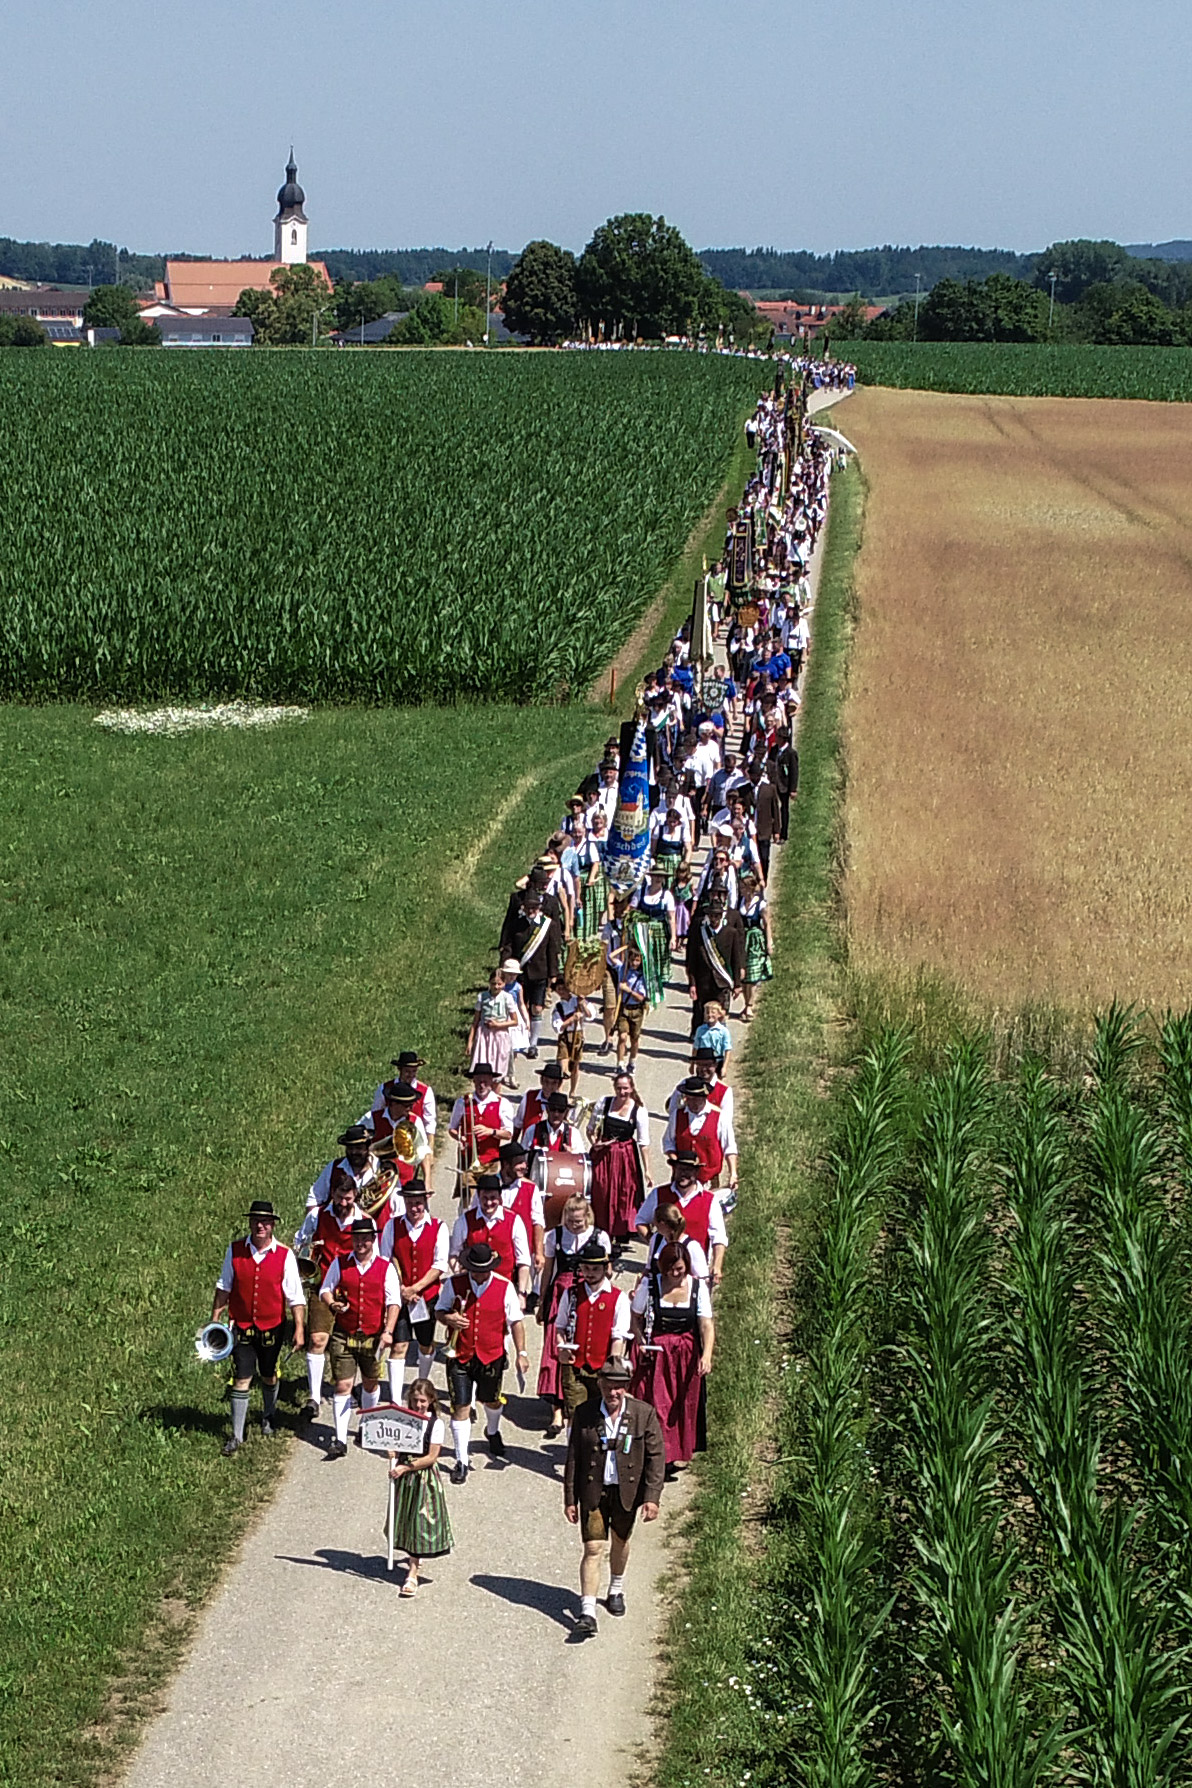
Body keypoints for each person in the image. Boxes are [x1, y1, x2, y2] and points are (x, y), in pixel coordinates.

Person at [563, 1358, 666, 1637]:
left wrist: (652, 1497)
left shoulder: (643, 1414)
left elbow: (656, 1458)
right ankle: (587, 1612)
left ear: (626, 1387)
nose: (613, 1393)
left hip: (626, 1493)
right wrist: (570, 1498)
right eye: (608, 1386)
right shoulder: (584, 1413)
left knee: (620, 1541)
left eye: (618, 1387)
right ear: (600, 1385)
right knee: (593, 1548)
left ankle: (616, 1589)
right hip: (593, 1492)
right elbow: (573, 1457)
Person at [212, 1200, 306, 1456]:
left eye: (265, 1221)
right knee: (242, 1377)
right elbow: (224, 1287)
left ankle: (268, 1414)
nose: (260, 1226)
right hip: (241, 1326)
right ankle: (237, 1435)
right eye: (255, 1221)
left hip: (271, 1327)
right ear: (250, 1223)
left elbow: (295, 1297)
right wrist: (215, 1318)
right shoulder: (235, 1250)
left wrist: (299, 1328)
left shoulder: (285, 1255)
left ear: (273, 1225)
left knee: (268, 1373)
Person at [436, 1240, 529, 1482]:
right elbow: (439, 1310)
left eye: (483, 1271)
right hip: (460, 1354)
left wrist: (522, 1353)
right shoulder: (454, 1284)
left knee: (491, 1401)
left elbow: (516, 1322)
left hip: (492, 1354)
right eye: (474, 1270)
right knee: (460, 1406)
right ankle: (461, 1460)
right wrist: (449, 1318)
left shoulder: (504, 1286)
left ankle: (493, 1430)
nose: (478, 1275)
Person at [318, 1216, 401, 1460]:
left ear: (373, 1240)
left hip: (373, 1336)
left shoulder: (385, 1267)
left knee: (370, 1383)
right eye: (356, 1239)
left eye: (365, 1239)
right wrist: (332, 1303)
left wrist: (388, 1331)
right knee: (343, 1385)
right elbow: (325, 1289)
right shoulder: (340, 1263)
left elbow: (394, 1302)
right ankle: (340, 1439)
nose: (360, 1243)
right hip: (344, 1334)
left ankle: (367, 1425)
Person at [630, 1243, 714, 1475]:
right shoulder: (650, 1286)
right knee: (658, 1404)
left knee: (682, 1405)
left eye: (680, 1269)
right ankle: (658, 1456)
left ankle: (677, 1452)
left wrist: (706, 1355)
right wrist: (641, 1342)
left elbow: (706, 1324)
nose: (676, 1274)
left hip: (685, 1355)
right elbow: (635, 1318)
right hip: (657, 1355)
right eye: (671, 1270)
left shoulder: (697, 1287)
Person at [537, 1195, 611, 1437]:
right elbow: (548, 1270)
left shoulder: (599, 1236)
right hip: (561, 1293)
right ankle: (557, 1411)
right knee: (555, 1349)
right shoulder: (555, 1236)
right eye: (570, 1221)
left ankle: (579, 1403)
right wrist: (542, 1300)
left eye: (578, 1221)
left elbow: (607, 1271)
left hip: (588, 1294)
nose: (574, 1225)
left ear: (587, 1217)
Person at [292, 1168, 360, 1423]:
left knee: (350, 1342)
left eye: (348, 1198)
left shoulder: (364, 1221)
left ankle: (347, 1386)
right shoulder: (317, 1215)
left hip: (352, 1287)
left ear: (355, 1196)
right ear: (332, 1194)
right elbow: (300, 1241)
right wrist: (306, 1253)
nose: (343, 1203)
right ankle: (314, 1396)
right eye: (340, 1197)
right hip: (323, 1285)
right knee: (318, 1339)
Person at [380, 1179, 449, 1402]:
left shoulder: (439, 1227)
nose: (414, 1208)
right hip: (400, 1297)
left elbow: (440, 1265)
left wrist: (415, 1288)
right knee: (398, 1345)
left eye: (418, 1203)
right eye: (410, 1203)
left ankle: (421, 1387)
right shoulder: (392, 1226)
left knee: (425, 1344)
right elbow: (385, 1260)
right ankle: (395, 1399)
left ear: (425, 1201)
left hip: (426, 1297)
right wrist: (401, 1289)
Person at [385, 1378, 453, 1597]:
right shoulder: (404, 1420)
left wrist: (406, 1467)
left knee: (419, 1521)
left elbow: (431, 1457)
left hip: (423, 1478)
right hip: (404, 1477)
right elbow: (397, 1444)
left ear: (431, 1400)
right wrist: (393, 1453)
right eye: (415, 1400)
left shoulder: (435, 1424)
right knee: (405, 1519)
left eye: (423, 1401)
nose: (418, 1405)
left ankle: (412, 1573)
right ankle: (413, 1558)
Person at [554, 1237, 632, 1417]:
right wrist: (562, 1348)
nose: (590, 1273)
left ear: (605, 1269)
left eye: (595, 1269)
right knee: (575, 1414)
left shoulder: (618, 1298)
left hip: (602, 1369)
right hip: (575, 1366)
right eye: (586, 1268)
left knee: (601, 1415)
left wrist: (612, 1368)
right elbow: (560, 1326)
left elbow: (618, 1337)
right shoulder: (571, 1293)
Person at [636, 1153, 729, 1288]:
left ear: (696, 1172)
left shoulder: (709, 1200)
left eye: (688, 1170)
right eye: (680, 1169)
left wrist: (717, 1266)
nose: (683, 1174)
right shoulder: (659, 1194)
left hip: (696, 1272)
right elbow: (640, 1221)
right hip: (664, 1272)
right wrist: (654, 1242)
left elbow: (719, 1237)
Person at [587, 1070, 649, 1253]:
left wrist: (648, 1170)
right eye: (619, 1088)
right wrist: (595, 1143)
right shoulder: (604, 1103)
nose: (622, 1092)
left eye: (626, 1089)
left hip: (625, 1157)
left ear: (632, 1088)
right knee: (600, 1191)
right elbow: (590, 1129)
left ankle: (618, 1233)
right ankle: (600, 1231)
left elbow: (643, 1143)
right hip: (603, 1155)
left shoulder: (638, 1111)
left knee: (623, 1193)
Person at [499, 885, 562, 1060]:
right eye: (528, 907)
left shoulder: (548, 925)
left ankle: (533, 1044)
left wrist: (553, 973)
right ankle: (520, 1040)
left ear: (539, 907)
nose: (531, 910)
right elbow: (508, 946)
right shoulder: (516, 925)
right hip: (519, 973)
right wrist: (504, 966)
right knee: (520, 1006)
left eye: (534, 907)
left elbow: (552, 950)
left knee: (537, 1008)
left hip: (540, 972)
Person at [450, 1173, 532, 1300]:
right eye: (485, 1198)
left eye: (493, 1198)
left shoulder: (514, 1221)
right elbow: (454, 1254)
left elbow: (523, 1261)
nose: (489, 1202)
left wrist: (521, 1294)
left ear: (500, 1197)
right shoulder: (464, 1221)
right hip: (473, 1289)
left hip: (505, 1290)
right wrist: (460, 1275)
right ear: (478, 1196)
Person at [663, 1078, 738, 1194]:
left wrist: (733, 1173)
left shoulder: (720, 1117)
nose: (693, 1103)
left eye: (697, 1099)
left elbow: (729, 1147)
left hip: (709, 1180)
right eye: (690, 1098)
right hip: (682, 1181)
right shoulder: (677, 1116)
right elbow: (668, 1142)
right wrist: (676, 1161)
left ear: (704, 1097)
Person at [686, 888, 745, 1033]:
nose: (714, 919)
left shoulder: (731, 933)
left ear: (721, 916)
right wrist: (692, 983)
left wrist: (737, 984)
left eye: (717, 915)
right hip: (703, 981)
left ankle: (719, 1040)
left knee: (720, 1013)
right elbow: (692, 960)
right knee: (701, 1011)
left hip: (722, 981)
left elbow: (736, 960)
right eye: (711, 915)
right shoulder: (701, 932)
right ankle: (698, 1038)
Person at [448, 1063, 515, 1181]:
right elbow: (452, 1129)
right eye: (478, 1081)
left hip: (490, 1162)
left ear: (491, 1081)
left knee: (489, 1191)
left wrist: (491, 1132)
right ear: (474, 1081)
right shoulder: (462, 1102)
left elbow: (508, 1134)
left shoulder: (503, 1104)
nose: (481, 1085)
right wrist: (460, 1138)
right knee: (468, 1191)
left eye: (485, 1082)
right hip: (467, 1160)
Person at [307, 1123, 377, 1211]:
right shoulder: (334, 1167)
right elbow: (314, 1198)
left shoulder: (379, 1167)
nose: (354, 1152)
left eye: (358, 1148)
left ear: (368, 1147)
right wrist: (316, 1218)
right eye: (350, 1148)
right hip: (339, 1219)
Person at [467, 967, 519, 1084]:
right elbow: (475, 1021)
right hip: (484, 1036)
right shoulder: (482, 997)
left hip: (500, 1036)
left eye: (499, 984)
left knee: (497, 1069)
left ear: (504, 984)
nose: (496, 987)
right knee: (482, 1066)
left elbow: (515, 1021)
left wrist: (498, 1025)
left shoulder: (507, 998)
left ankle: (496, 1091)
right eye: (493, 983)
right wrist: (470, 1042)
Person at [739, 871, 773, 1020]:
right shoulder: (740, 902)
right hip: (742, 939)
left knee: (753, 973)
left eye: (743, 887)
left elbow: (767, 924)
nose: (741, 890)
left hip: (755, 940)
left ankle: (749, 1006)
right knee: (743, 974)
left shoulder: (760, 903)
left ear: (749, 888)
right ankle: (746, 1002)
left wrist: (769, 942)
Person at [551, 981, 596, 1097]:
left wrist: (582, 1004)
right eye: (559, 989)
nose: (562, 991)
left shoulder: (578, 1000)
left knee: (575, 1065)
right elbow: (558, 1027)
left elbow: (590, 1015)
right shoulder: (558, 1007)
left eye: (564, 988)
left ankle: (572, 1092)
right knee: (562, 1066)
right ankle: (559, 1092)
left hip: (578, 1036)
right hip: (565, 1036)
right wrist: (571, 1019)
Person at [692, 1001, 732, 1075]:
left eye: (713, 1012)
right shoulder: (700, 1030)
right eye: (707, 1013)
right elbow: (695, 1047)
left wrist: (724, 1067)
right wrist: (692, 1065)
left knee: (716, 1081)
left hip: (717, 1062)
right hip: (702, 1063)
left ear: (719, 1014)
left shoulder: (723, 1031)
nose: (710, 1015)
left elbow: (727, 1050)